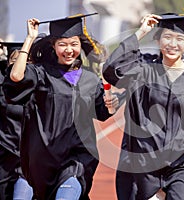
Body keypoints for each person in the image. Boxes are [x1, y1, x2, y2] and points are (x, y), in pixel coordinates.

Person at [102, 12, 184, 200]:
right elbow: (111, 69)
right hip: (145, 164)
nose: (172, 44)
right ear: (157, 41)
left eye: (179, 39)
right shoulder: (143, 72)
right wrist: (141, 32)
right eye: (167, 37)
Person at [3, 13, 122, 200]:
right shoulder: (41, 74)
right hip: (43, 159)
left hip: (77, 158)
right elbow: (16, 77)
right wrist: (29, 39)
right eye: (62, 44)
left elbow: (103, 112)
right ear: (53, 46)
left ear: (80, 45)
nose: (69, 50)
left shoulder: (90, 80)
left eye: (74, 44)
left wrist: (112, 104)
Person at [0, 42, 33, 200]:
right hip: (4, 156)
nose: (20, 66)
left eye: (27, 62)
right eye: (14, 61)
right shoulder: (2, 86)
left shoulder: (38, 86)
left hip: (29, 157)